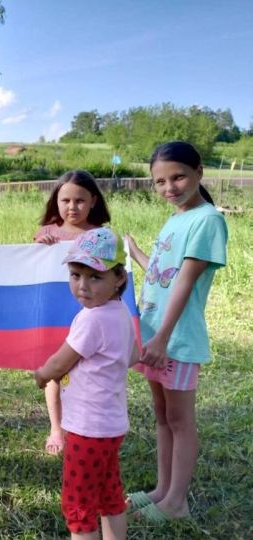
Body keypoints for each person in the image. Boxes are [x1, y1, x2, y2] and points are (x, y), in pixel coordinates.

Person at [125, 141, 228, 523]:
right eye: (160, 182)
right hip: (154, 335)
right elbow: (163, 273)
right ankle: (161, 489)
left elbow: (185, 283)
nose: (169, 187)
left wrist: (163, 338)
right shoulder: (177, 218)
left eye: (178, 177)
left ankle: (176, 502)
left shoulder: (208, 220)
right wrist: (136, 254)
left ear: (199, 171)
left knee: (181, 421)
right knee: (162, 416)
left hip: (176, 340)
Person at [34, 227, 139, 540]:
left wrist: (42, 375)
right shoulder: (120, 312)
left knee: (78, 504)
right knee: (110, 495)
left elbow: (59, 362)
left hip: (87, 429)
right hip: (111, 425)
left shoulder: (92, 319)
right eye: (76, 274)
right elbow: (133, 355)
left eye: (95, 277)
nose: (83, 286)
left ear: (119, 278)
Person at [34, 170, 112, 456]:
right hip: (53, 314)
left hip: (89, 317)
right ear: (56, 201)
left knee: (83, 373)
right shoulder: (47, 233)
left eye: (79, 200)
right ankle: (56, 427)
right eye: (65, 200)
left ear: (93, 200)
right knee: (55, 370)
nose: (72, 207)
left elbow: (112, 275)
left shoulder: (101, 236)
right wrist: (39, 249)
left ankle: (81, 424)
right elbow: (32, 273)